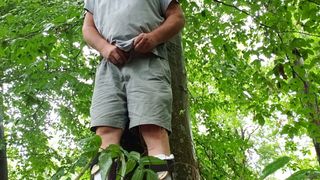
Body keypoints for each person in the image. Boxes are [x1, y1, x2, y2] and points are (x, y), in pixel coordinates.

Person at [82, 0, 184, 179]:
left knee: (153, 129)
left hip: (149, 60)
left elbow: (177, 18)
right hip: (110, 65)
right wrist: (105, 48)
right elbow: (88, 28)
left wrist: (153, 38)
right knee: (105, 131)